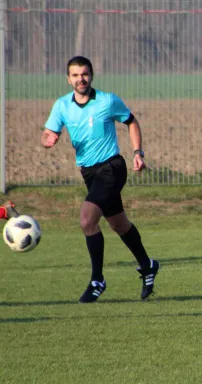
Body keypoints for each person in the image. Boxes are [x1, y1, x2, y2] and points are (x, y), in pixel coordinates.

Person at [41, 56, 160, 303]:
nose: (80, 79)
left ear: (91, 75)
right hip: (89, 173)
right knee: (118, 224)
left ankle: (97, 280)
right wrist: (48, 139)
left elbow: (131, 122)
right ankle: (147, 265)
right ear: (68, 79)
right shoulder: (62, 105)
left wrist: (138, 153)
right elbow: (49, 132)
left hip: (112, 167)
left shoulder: (107, 101)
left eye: (84, 74)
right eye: (75, 75)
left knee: (87, 220)